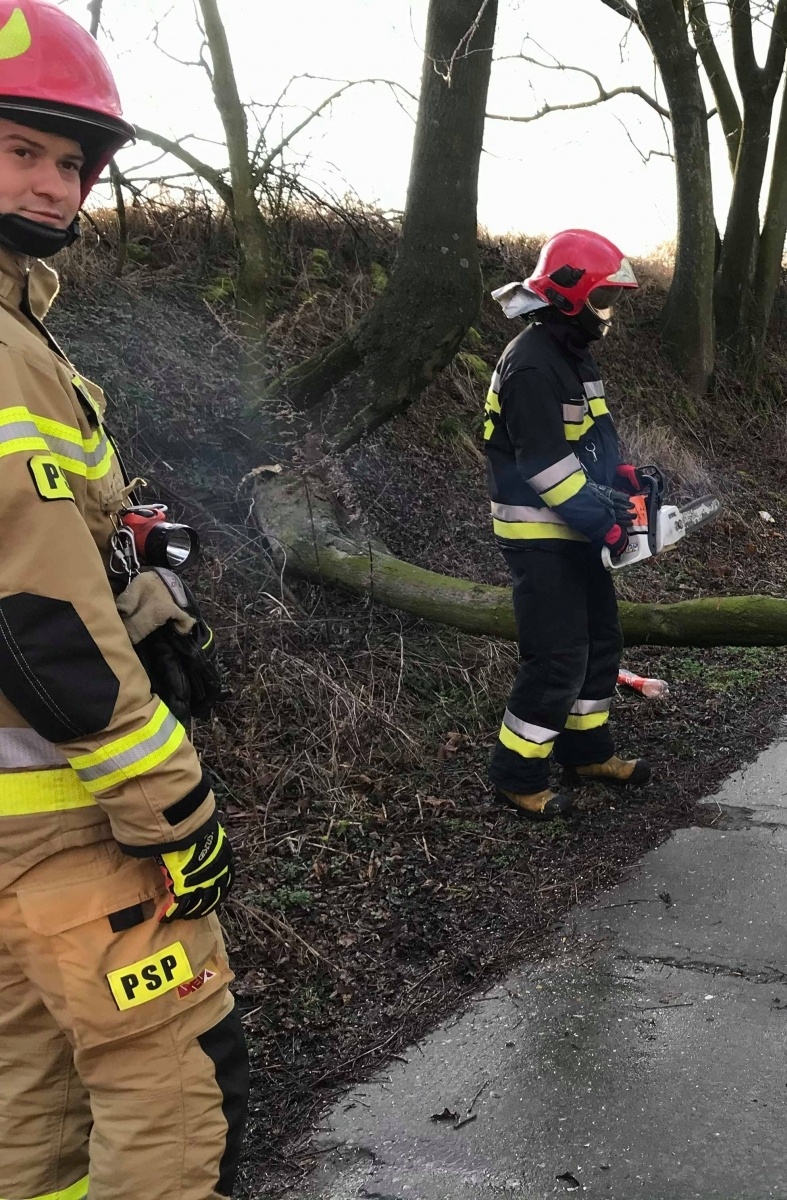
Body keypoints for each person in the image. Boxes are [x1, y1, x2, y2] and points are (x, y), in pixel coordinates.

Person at [0, 4, 247, 1197]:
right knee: (175, 1086)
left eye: (73, 161)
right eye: (22, 149)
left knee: (26, 1103)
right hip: (65, 815)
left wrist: (125, 563)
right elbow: (35, 619)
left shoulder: (20, 327)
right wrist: (174, 807)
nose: (55, 185)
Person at [481, 229, 655, 818]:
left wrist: (621, 479)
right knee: (555, 657)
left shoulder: (572, 356)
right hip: (540, 538)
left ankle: (587, 752)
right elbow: (546, 467)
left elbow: (591, 442)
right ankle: (517, 775)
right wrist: (602, 520)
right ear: (567, 297)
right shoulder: (532, 365)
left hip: (572, 532)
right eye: (603, 298)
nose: (609, 312)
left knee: (600, 642)